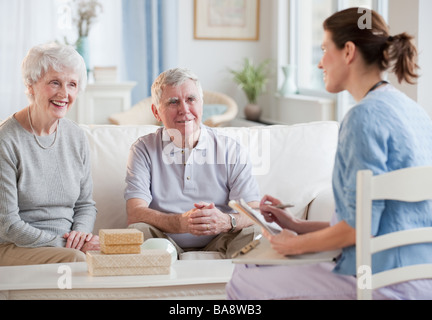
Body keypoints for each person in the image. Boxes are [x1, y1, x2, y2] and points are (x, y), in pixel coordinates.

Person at [226, 7, 432, 300]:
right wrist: (297, 226)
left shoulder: (363, 117)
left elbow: (359, 231)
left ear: (348, 51)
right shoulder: (414, 112)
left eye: (325, 49)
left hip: (379, 281)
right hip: (420, 275)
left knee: (245, 275)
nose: (321, 63)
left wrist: (292, 245)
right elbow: (373, 222)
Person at [125, 68, 261, 259]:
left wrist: (226, 221)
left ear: (201, 104)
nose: (184, 109)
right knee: (138, 231)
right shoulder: (142, 149)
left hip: (222, 240)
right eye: (173, 102)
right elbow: (135, 213)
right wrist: (179, 223)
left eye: (191, 99)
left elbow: (254, 211)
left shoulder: (231, 149)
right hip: (165, 244)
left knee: (256, 232)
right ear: (156, 111)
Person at [0, 42, 99, 266]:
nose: (64, 93)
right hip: (15, 246)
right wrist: (65, 245)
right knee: (76, 259)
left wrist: (80, 235)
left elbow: (85, 205)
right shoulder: (6, 140)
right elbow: (8, 224)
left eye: (72, 84)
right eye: (55, 83)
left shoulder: (76, 136)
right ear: (31, 85)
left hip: (67, 248)